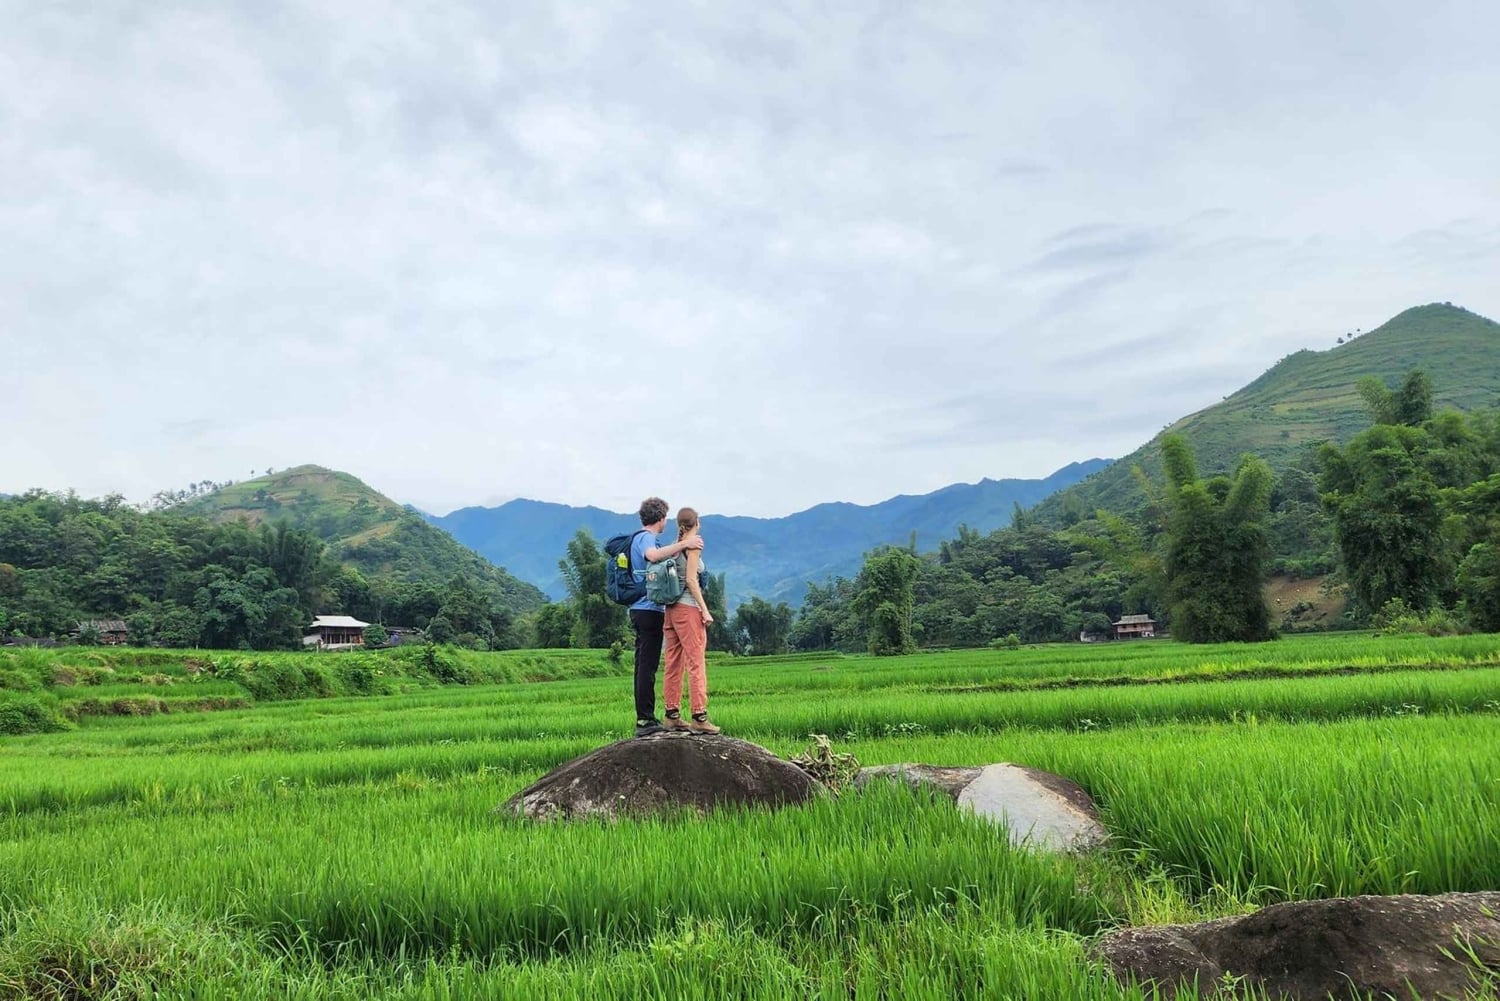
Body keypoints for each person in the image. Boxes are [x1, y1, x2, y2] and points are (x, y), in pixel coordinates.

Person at [629, 497, 703, 737]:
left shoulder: (641, 538)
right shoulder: (646, 538)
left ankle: (649, 716)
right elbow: (653, 556)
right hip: (649, 609)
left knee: (645, 665)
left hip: (642, 608)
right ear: (660, 519)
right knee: (647, 667)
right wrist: (685, 544)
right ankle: (645, 719)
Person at [662, 507, 720, 735]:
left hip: (670, 610)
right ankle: (699, 716)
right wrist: (705, 610)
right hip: (688, 610)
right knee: (696, 663)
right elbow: (691, 580)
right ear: (697, 522)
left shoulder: (674, 546)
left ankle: (671, 715)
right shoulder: (693, 545)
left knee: (673, 663)